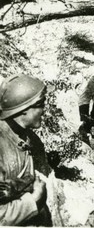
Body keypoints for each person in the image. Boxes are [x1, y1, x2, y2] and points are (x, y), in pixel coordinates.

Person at [0, 74, 51, 226]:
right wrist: (33, 200)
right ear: (23, 109)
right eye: (41, 104)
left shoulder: (32, 139)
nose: (44, 110)